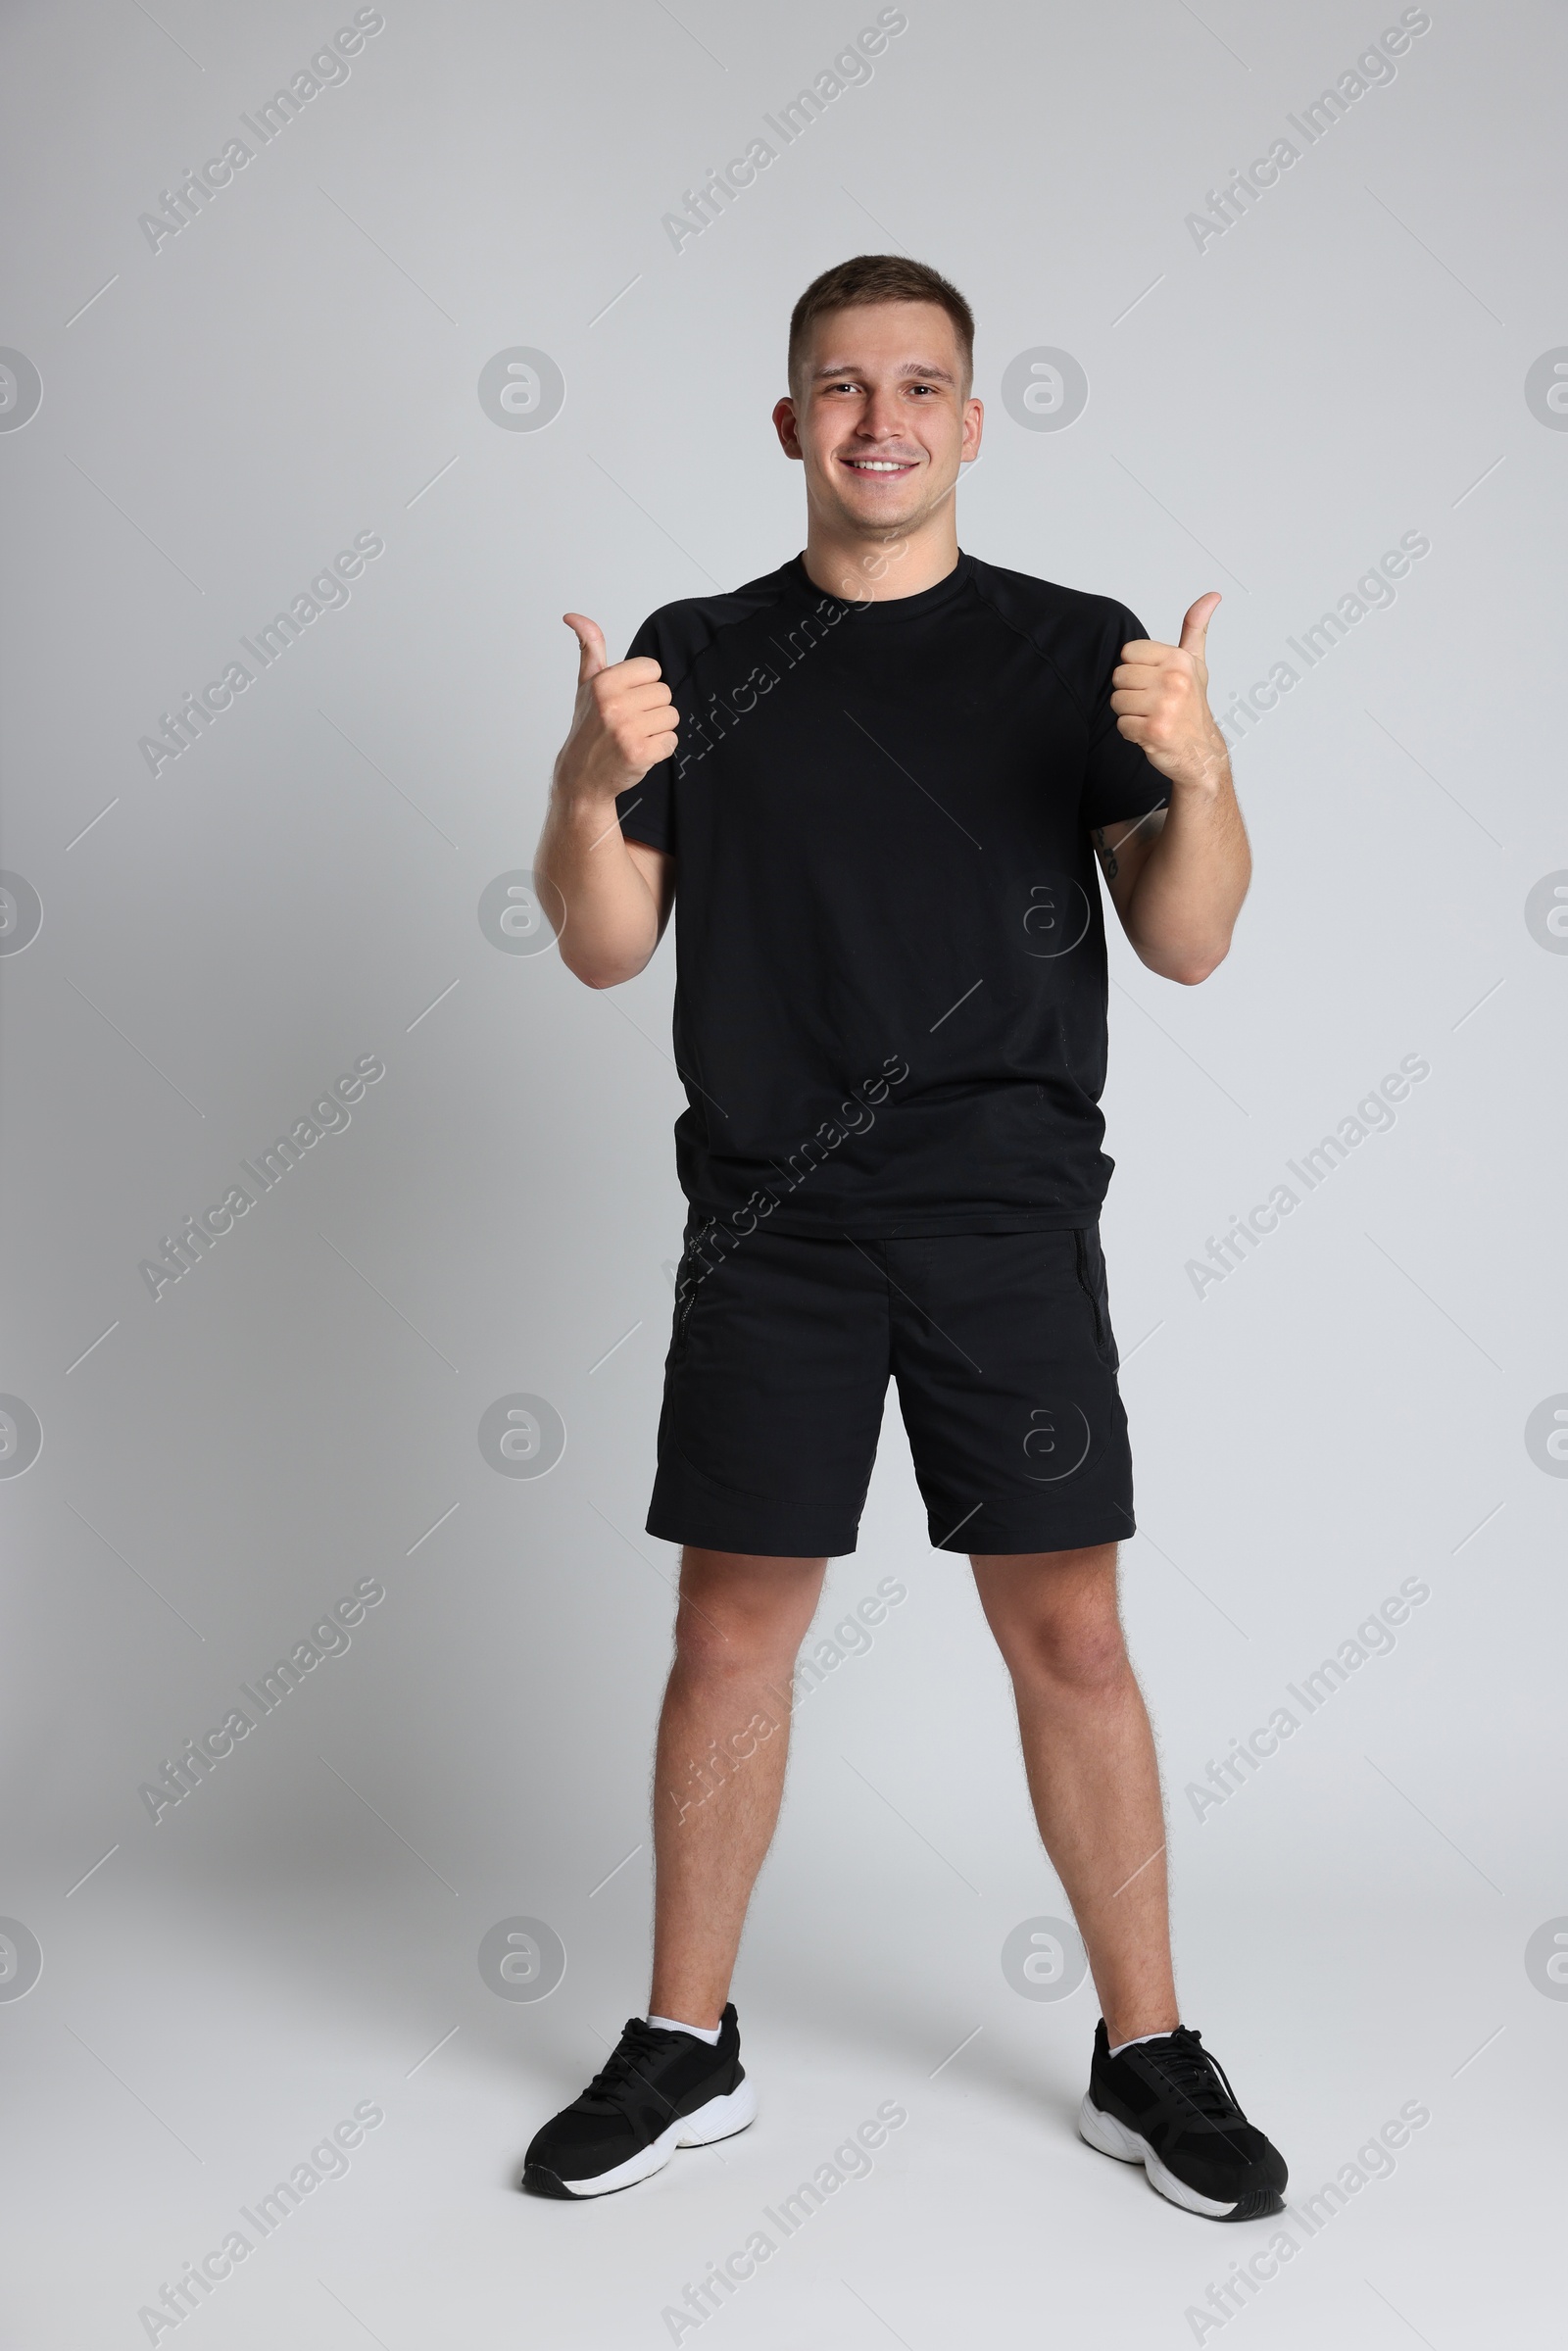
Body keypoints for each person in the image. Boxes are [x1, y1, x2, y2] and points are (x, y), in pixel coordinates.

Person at [523, 254, 1285, 2220]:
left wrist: (1198, 768)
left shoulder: (1073, 654)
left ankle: (1147, 2049)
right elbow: (606, 946)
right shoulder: (691, 656)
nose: (878, 419)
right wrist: (582, 776)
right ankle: (686, 2043)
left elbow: (1187, 938)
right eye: (840, 387)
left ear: (968, 418)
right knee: (728, 1636)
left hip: (1000, 1216)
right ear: (789, 423)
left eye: (918, 385)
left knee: (1070, 1638)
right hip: (770, 1220)